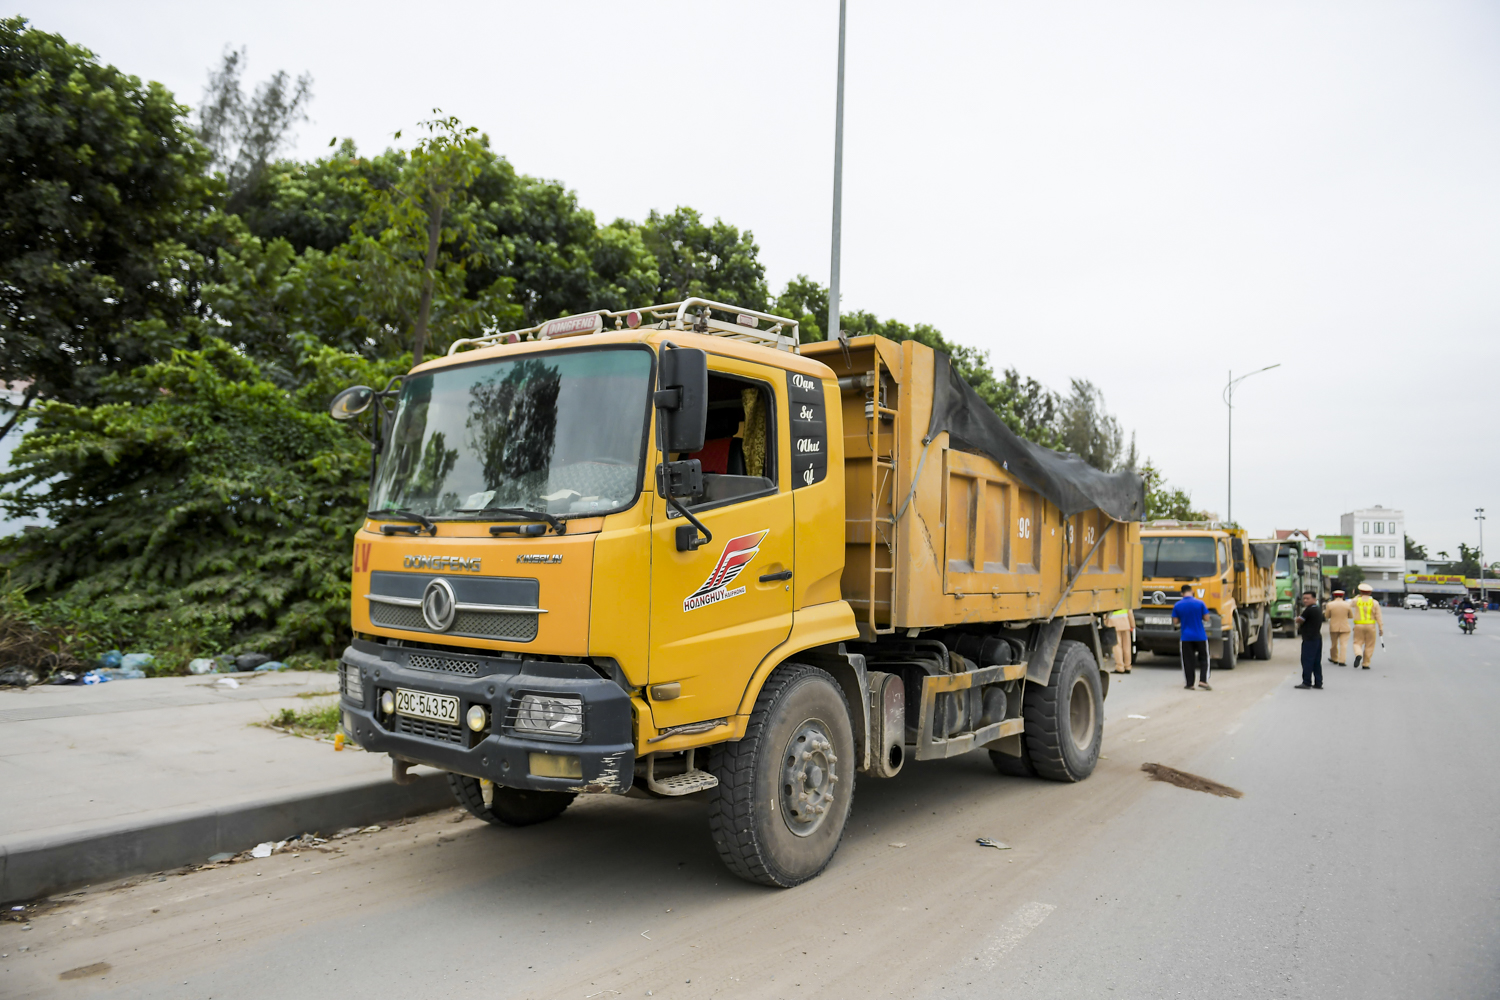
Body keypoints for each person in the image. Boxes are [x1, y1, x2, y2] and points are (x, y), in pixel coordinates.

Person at [1172, 584, 1211, 691]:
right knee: (1204, 659)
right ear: (1192, 591)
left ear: (1181, 593)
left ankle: (1190, 684)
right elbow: (1207, 618)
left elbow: (1175, 622)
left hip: (1186, 637)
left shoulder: (1178, 605)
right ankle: (1203, 680)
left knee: (1188, 661)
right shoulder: (1200, 603)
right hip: (1200, 636)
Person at [1293, 591, 1324, 689]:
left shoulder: (1309, 610)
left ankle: (1306, 682)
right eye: (1304, 598)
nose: (1305, 600)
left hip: (1309, 639)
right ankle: (1318, 682)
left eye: (1308, 598)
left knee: (1307, 660)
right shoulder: (1318, 609)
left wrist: (1297, 619)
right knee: (1316, 661)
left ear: (1314, 599)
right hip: (1317, 638)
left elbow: (1299, 620)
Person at [1351, 582, 1383, 669]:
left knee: (1357, 642)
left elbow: (1350, 604)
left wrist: (1358, 596)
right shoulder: (1374, 602)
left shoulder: (1356, 600)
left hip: (1358, 625)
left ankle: (1358, 654)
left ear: (1360, 592)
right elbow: (1378, 616)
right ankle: (1366, 663)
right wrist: (1380, 628)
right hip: (1370, 626)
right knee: (1370, 645)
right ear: (1370, 592)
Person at [1325, 589, 1353, 666]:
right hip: (1345, 627)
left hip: (1334, 626)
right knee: (1343, 644)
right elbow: (1350, 616)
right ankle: (1342, 660)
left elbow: (1327, 616)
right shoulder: (1347, 605)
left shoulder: (1330, 604)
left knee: (1334, 644)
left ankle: (1334, 658)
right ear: (1342, 596)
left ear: (1334, 596)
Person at [1108, 608, 1134, 673]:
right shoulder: (1124, 599)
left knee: (1117, 645)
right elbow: (1130, 612)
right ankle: (1127, 666)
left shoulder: (1111, 600)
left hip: (1113, 624)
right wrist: (1132, 624)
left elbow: (1106, 613)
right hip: (1125, 623)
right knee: (1127, 646)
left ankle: (1120, 667)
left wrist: (1105, 624)